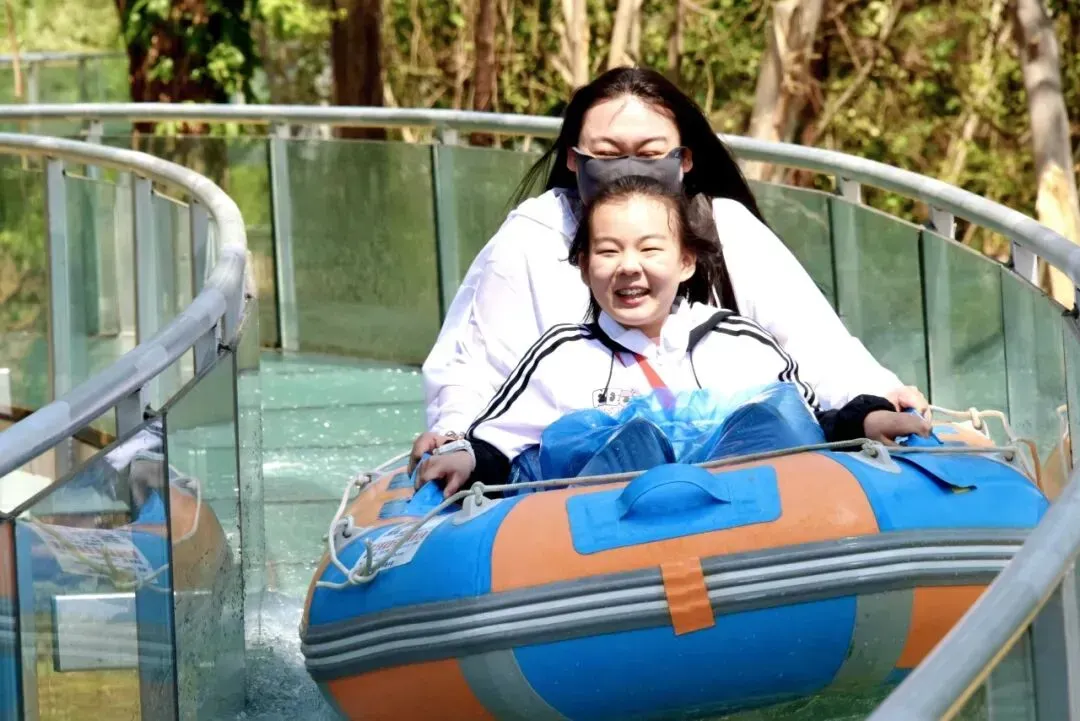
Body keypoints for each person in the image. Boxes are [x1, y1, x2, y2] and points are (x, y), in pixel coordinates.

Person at [413, 66, 926, 471]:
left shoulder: (723, 236)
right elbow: (479, 362)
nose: (629, 269)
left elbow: (812, 342)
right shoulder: (536, 238)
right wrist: (457, 436)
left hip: (723, 461)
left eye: (650, 153)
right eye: (608, 154)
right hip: (582, 474)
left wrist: (873, 398)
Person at [415, 176, 930, 496]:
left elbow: (815, 418)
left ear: (686, 262)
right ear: (583, 267)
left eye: (650, 250)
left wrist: (866, 417)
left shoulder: (738, 342)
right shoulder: (560, 357)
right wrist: (465, 455)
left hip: (748, 532)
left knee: (768, 419)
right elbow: (498, 443)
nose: (629, 267)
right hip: (607, 552)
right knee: (600, 441)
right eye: (608, 251)